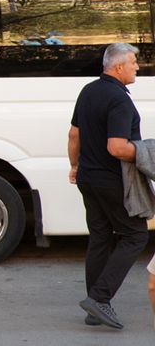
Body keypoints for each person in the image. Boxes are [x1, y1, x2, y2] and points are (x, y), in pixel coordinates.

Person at [69, 42, 148, 330]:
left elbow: (74, 135)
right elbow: (116, 147)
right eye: (133, 63)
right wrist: (144, 153)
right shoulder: (119, 100)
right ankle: (100, 298)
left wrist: (75, 166)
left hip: (88, 178)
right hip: (111, 180)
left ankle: (94, 309)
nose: (137, 67)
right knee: (135, 235)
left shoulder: (88, 91)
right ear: (118, 67)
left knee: (101, 237)